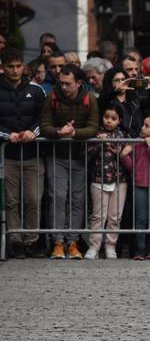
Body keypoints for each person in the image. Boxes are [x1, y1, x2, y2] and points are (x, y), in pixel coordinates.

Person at [40, 64, 99, 260]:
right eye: (61, 83)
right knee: (57, 197)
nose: (63, 87)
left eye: (68, 84)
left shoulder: (89, 99)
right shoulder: (52, 97)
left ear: (79, 83)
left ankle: (73, 242)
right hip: (56, 155)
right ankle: (57, 242)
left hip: (80, 156)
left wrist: (74, 134)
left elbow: (93, 128)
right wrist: (58, 132)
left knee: (77, 200)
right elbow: (44, 126)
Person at [0, 48, 46, 258]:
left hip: (32, 153)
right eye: (11, 66)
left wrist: (32, 132)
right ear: (3, 67)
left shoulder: (36, 90)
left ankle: (32, 241)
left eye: (18, 66)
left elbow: (44, 119)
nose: (15, 70)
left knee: (33, 199)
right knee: (11, 201)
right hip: (7, 155)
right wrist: (6, 135)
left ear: (23, 66)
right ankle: (15, 240)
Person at [84, 105, 132, 260]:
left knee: (115, 217)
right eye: (106, 117)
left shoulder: (123, 135)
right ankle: (94, 246)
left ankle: (111, 246)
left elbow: (126, 155)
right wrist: (98, 143)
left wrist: (121, 148)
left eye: (113, 118)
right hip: (99, 179)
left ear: (119, 121)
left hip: (119, 180)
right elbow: (86, 154)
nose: (109, 121)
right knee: (98, 216)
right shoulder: (95, 134)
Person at [120, 115, 150, 260]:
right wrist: (123, 155)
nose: (142, 128)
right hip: (139, 183)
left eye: (147, 126)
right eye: (143, 124)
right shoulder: (137, 143)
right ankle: (140, 249)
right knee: (140, 217)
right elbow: (132, 167)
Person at [98, 67, 150, 138]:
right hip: (116, 139)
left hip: (135, 139)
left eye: (123, 79)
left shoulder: (134, 97)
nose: (121, 83)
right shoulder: (107, 99)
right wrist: (115, 91)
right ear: (110, 83)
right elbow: (100, 103)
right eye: (117, 80)